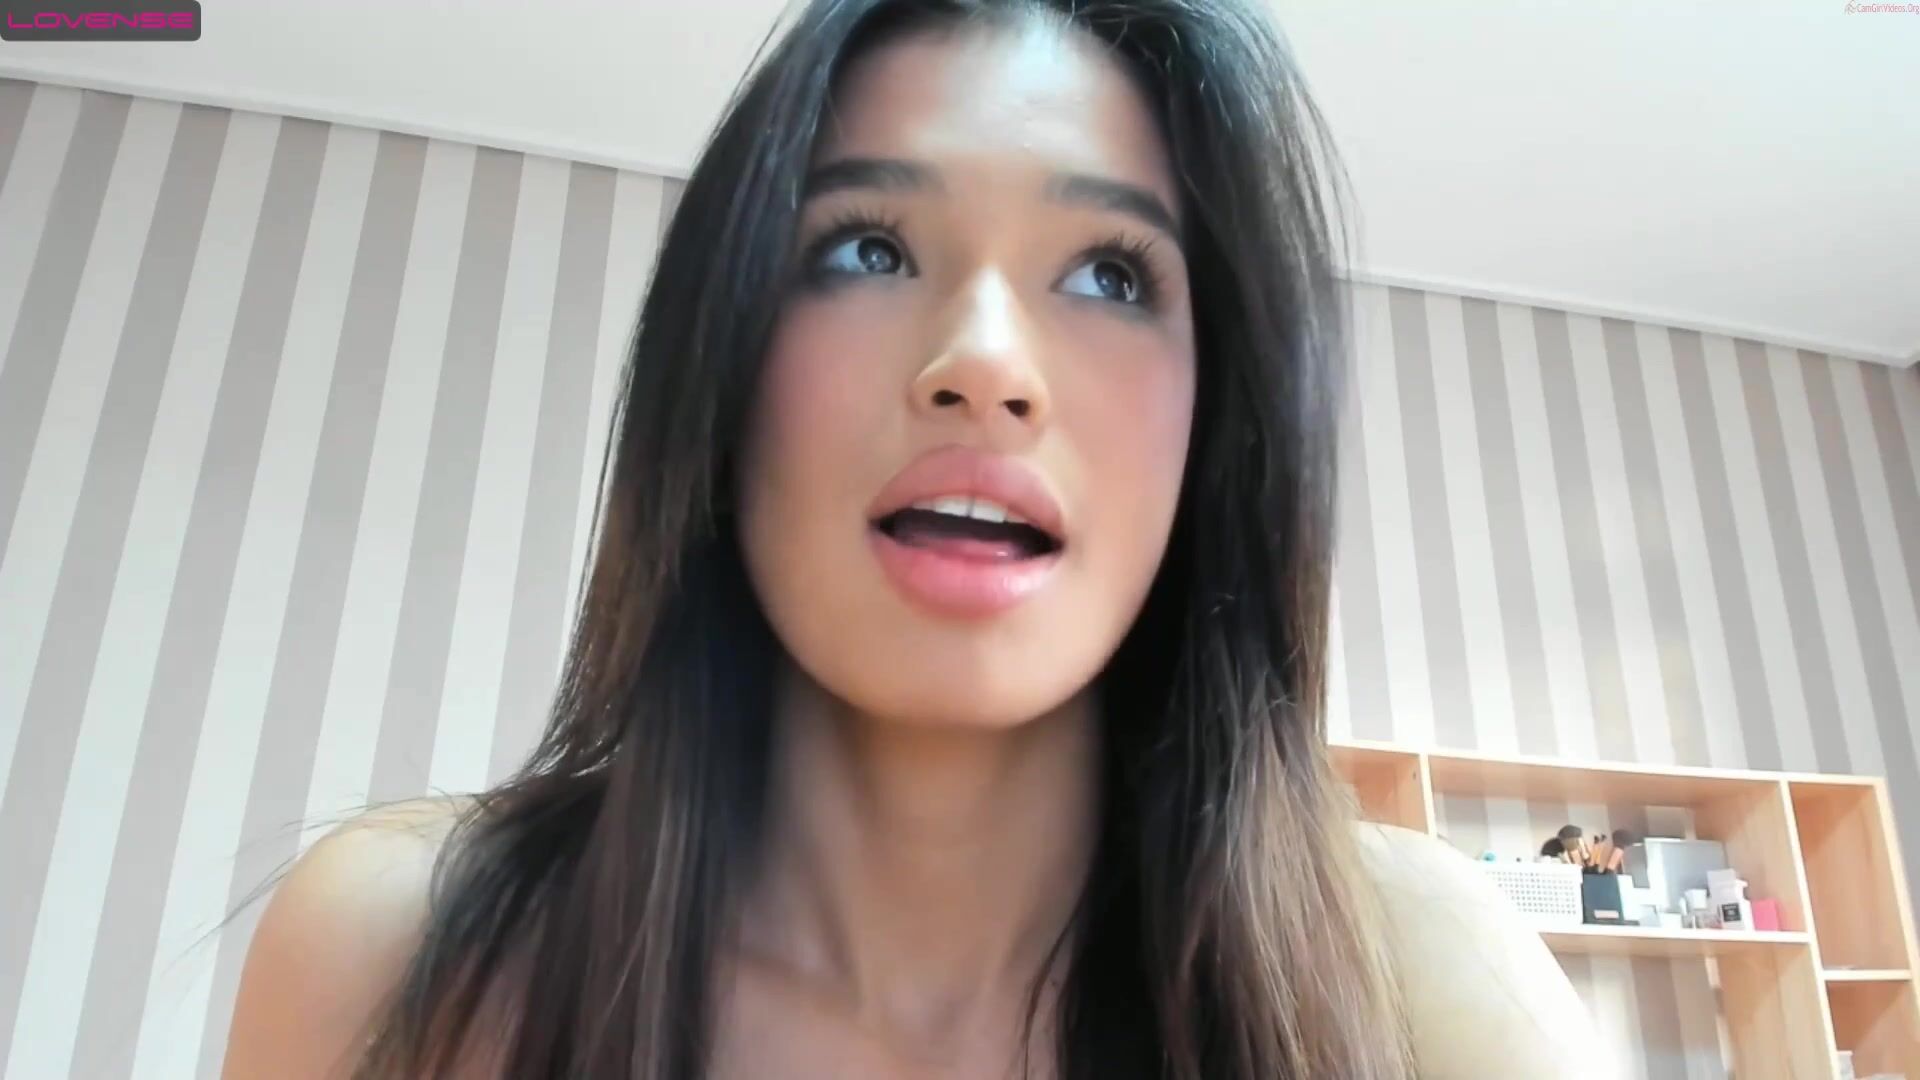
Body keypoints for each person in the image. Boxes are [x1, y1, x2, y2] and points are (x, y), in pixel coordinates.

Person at [222, 1, 1599, 1077]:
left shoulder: (1427, 982)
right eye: (867, 250)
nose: (985, 364)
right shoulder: (395, 951)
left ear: (1217, 418)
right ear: (725, 362)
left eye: (1111, 273)